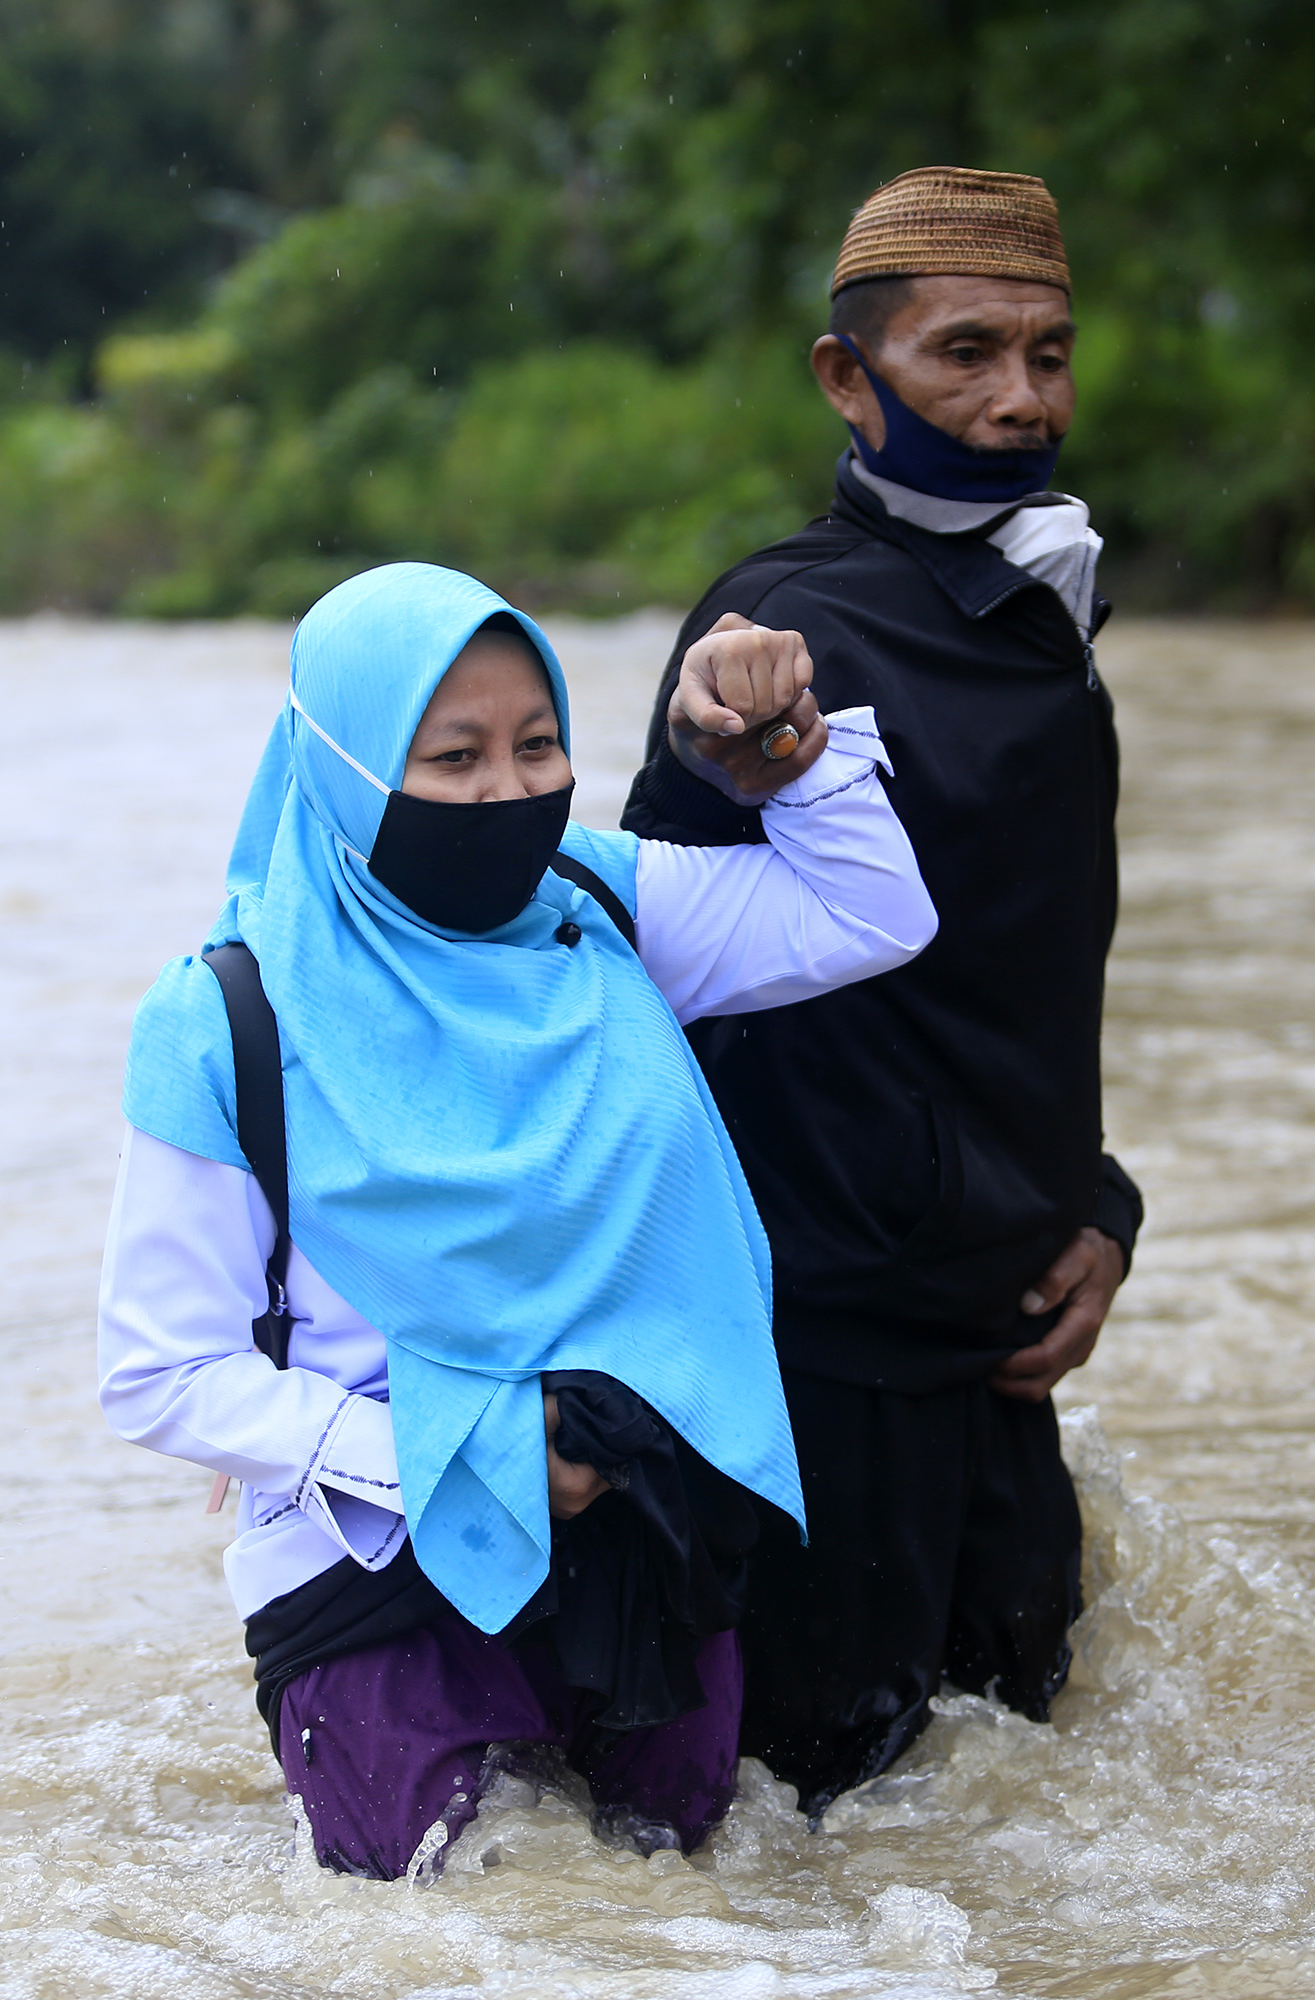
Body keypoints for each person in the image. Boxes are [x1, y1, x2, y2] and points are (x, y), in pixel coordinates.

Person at [97, 561, 937, 1875]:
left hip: (647, 1528)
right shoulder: (224, 1019)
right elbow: (157, 1376)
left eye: (538, 744)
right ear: (347, 766)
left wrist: (788, 764)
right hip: (372, 1576)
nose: (508, 792)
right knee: (479, 1923)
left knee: (681, 1919)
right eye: (454, 756)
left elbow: (870, 909)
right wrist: (449, 1449)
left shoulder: (592, 904)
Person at [619, 167, 1138, 1814]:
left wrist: (1100, 1201)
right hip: (825, 1357)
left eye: (1048, 355)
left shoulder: (1041, 618)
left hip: (1005, 1339)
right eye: (964, 353)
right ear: (848, 380)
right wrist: (734, 733)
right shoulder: (792, 623)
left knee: (1030, 1802)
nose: (1016, 401)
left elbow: (1029, 974)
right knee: (818, 1842)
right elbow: (661, 956)